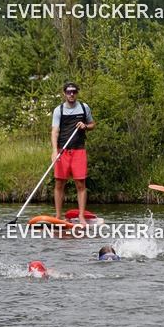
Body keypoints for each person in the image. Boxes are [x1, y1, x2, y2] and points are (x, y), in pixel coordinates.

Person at [51, 83, 95, 227]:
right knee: (59, 183)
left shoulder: (84, 108)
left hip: (79, 150)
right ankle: (58, 216)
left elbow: (92, 125)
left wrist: (85, 126)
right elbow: (54, 131)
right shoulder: (59, 110)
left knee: (80, 184)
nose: (72, 94)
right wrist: (53, 151)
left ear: (77, 93)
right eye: (69, 92)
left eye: (74, 92)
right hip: (62, 151)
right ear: (64, 93)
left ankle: (81, 217)